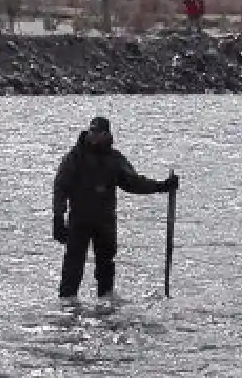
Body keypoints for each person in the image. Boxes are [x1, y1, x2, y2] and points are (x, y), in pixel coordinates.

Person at [52, 116, 178, 301]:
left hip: (105, 222)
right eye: (92, 131)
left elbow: (133, 182)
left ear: (107, 134)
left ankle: (106, 302)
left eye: (99, 132)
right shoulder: (75, 157)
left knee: (106, 265)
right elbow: (61, 187)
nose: (94, 136)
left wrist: (162, 186)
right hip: (79, 220)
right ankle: (67, 304)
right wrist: (57, 217)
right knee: (73, 266)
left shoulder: (114, 159)